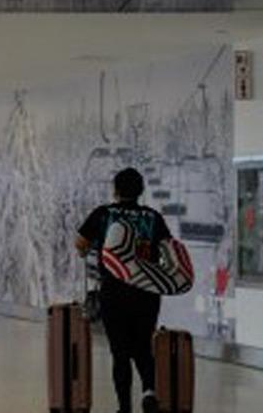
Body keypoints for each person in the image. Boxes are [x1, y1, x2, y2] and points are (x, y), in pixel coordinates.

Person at [76, 168, 173, 413]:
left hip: (114, 290)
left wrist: (92, 249)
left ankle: (124, 407)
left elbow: (81, 244)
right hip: (147, 292)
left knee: (119, 352)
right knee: (142, 346)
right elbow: (167, 250)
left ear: (116, 190)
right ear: (141, 191)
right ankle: (149, 391)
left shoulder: (103, 213)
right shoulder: (153, 217)